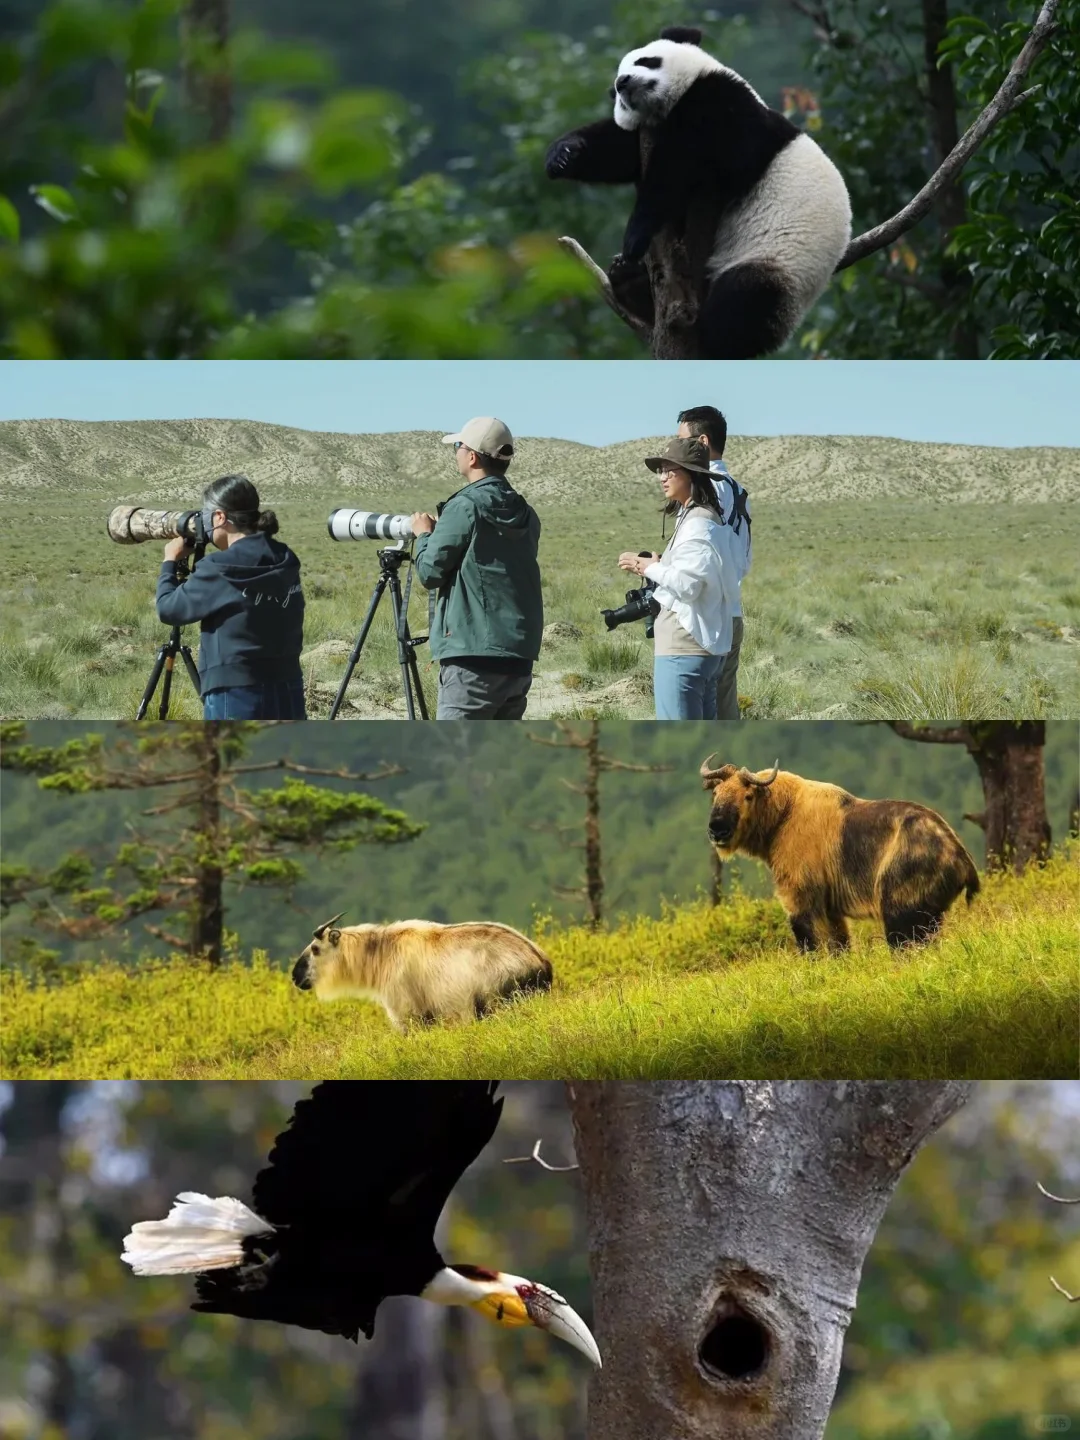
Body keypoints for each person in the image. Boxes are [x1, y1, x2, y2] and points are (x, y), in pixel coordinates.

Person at [410, 417, 543, 720]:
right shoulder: (526, 513)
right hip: (518, 656)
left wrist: (424, 534)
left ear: (471, 456)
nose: (455, 452)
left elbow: (430, 573)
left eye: (458, 446)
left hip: (472, 658)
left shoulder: (465, 506)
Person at [156, 474, 306, 720]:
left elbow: (169, 609)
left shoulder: (219, 566)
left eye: (205, 516)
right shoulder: (285, 557)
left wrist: (170, 560)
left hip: (237, 691)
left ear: (219, 517)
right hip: (287, 685)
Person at [617, 438, 738, 721]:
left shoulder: (697, 523)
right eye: (662, 470)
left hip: (684, 649)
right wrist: (659, 565)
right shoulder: (707, 518)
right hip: (701, 648)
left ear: (692, 474)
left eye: (671, 470)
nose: (663, 477)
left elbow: (689, 585)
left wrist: (649, 568)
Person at [677, 405, 751, 720]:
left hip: (707, 618)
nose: (676, 448)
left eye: (682, 440)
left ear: (703, 443)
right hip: (730, 612)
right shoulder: (735, 488)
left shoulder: (709, 489)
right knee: (724, 709)